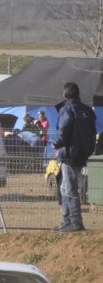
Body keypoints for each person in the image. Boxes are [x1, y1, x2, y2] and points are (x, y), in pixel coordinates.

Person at [52, 81, 98, 232]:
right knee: (65, 187)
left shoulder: (67, 109)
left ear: (65, 94)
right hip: (83, 153)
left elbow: (64, 129)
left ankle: (75, 222)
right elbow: (92, 132)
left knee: (69, 188)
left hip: (70, 153)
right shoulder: (87, 111)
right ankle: (66, 221)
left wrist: (56, 143)